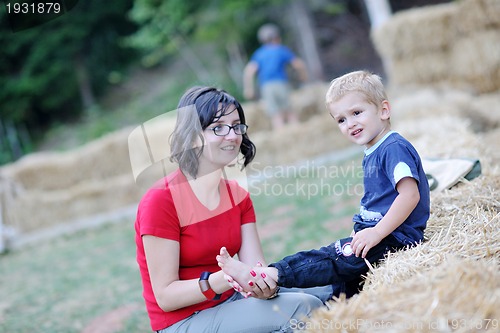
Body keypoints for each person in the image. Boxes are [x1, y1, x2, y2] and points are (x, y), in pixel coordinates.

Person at [217, 70, 431, 298]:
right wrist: (361, 229)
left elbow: (409, 195)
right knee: (345, 280)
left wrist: (376, 233)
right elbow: (376, 201)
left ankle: (272, 275)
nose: (350, 124)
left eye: (357, 112)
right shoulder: (374, 150)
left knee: (332, 259)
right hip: (379, 234)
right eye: (341, 119)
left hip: (395, 239)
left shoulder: (393, 148)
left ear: (384, 110)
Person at [135, 86, 326, 333]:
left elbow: (255, 268)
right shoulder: (161, 200)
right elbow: (166, 296)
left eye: (237, 126)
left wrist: (262, 283)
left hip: (233, 302)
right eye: (218, 128)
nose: (233, 135)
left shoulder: (238, 195)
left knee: (329, 290)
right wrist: (227, 278)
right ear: (192, 137)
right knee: (305, 306)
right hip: (184, 321)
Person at [243, 23, 308, 129]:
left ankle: (282, 137)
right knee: (289, 112)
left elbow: (249, 71)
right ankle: (297, 132)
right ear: (277, 37)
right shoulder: (281, 50)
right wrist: (303, 76)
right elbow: (298, 64)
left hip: (266, 87)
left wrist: (248, 89)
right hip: (280, 83)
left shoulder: (259, 54)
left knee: (276, 115)